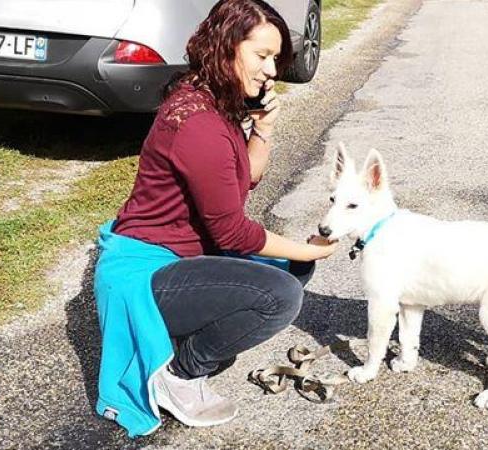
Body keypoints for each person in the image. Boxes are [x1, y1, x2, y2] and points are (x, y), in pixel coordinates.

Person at [92, 0, 338, 437]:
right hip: (144, 271)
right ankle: (180, 375)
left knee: (293, 267)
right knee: (281, 294)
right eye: (261, 56)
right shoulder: (197, 124)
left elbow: (245, 179)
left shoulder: (212, 101)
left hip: (181, 256)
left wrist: (263, 128)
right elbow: (233, 232)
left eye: (275, 59)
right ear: (226, 47)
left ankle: (187, 334)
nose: (271, 71)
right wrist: (310, 246)